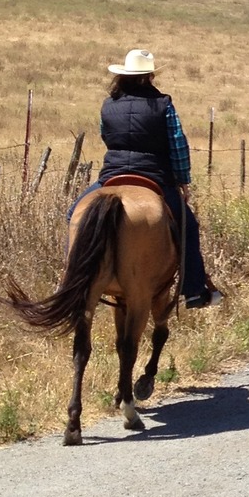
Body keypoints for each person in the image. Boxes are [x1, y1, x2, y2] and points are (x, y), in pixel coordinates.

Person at [96, 49, 218, 307]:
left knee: (74, 214)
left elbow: (105, 135)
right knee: (189, 228)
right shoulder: (163, 104)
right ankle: (194, 290)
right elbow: (177, 144)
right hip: (154, 176)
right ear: (149, 75)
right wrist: (183, 179)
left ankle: (73, 280)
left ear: (123, 76)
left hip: (112, 174)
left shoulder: (109, 104)